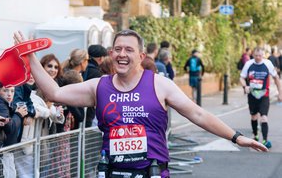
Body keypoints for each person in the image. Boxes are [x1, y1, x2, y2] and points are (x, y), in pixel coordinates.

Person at [15, 29, 267, 178]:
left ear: (141, 56)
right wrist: (29, 56)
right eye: (117, 49)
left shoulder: (160, 84)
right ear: (111, 54)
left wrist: (236, 137)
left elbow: (198, 114)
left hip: (152, 172)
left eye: (129, 50)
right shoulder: (99, 86)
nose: (122, 54)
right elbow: (55, 92)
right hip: (112, 172)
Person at [240, 47, 282, 148]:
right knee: (254, 116)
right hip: (252, 95)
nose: (258, 58)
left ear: (263, 55)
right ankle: (255, 136)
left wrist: (280, 93)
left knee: (264, 117)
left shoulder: (267, 64)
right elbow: (241, 77)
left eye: (260, 56)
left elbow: (276, 78)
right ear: (253, 55)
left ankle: (265, 140)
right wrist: (245, 86)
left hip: (264, 95)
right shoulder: (249, 64)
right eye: (256, 56)